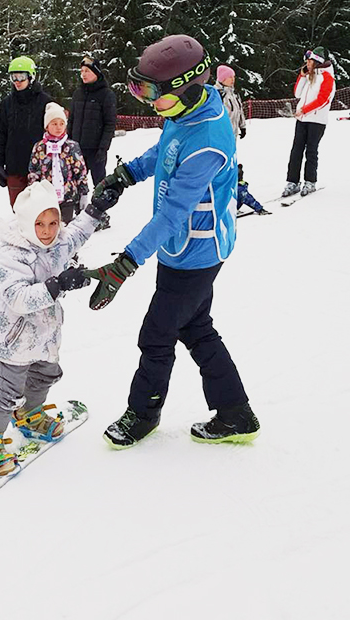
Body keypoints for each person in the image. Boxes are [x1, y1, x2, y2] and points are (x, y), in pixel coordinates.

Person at [85, 34, 260, 449]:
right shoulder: (186, 112)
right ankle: (235, 411)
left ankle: (142, 414)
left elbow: (172, 214)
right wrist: (126, 175)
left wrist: (126, 262)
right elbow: (165, 148)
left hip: (195, 253)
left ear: (189, 87)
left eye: (154, 95)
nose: (149, 103)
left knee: (157, 334)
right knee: (196, 327)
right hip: (184, 247)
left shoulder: (208, 141)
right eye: (141, 90)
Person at [0, 180, 118, 476]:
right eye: (39, 224)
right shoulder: (11, 256)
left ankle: (30, 414)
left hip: (45, 335)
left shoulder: (57, 242)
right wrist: (58, 284)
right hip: (13, 339)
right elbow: (18, 298)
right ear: (25, 224)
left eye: (53, 222)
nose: (47, 231)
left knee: (46, 374)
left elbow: (76, 234)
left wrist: (96, 209)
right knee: (8, 390)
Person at [0, 56, 53, 207]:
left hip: (40, 166)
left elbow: (54, 133)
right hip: (15, 165)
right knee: (19, 210)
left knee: (40, 211)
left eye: (21, 76)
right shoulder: (7, 104)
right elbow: (2, 134)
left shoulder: (45, 102)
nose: (17, 81)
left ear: (31, 77)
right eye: (14, 77)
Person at [67, 55, 117, 227]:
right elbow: (71, 120)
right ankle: (80, 216)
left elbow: (110, 123)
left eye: (87, 71)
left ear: (96, 72)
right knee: (76, 184)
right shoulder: (78, 93)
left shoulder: (106, 94)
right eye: (81, 71)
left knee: (99, 184)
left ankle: (101, 215)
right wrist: (68, 143)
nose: (83, 74)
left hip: (96, 149)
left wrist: (103, 148)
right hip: (77, 149)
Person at [281, 47, 335, 197]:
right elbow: (297, 93)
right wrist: (302, 76)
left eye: (310, 61)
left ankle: (310, 181)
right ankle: (292, 181)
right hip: (302, 119)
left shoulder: (327, 77)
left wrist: (305, 109)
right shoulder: (310, 76)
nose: (307, 63)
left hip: (317, 120)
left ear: (317, 62)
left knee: (311, 150)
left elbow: (323, 100)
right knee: (296, 150)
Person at [28, 102, 89, 224]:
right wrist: (33, 192)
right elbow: (34, 171)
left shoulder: (72, 146)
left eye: (61, 123)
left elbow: (80, 171)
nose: (58, 127)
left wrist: (84, 193)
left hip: (68, 197)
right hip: (46, 198)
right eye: (54, 124)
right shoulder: (40, 147)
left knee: (65, 230)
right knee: (51, 227)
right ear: (47, 126)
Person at [216, 64, 246, 139]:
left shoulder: (234, 93)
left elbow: (239, 110)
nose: (233, 79)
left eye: (233, 77)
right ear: (222, 79)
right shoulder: (216, 94)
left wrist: (242, 126)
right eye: (229, 77)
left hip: (233, 133)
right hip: (221, 134)